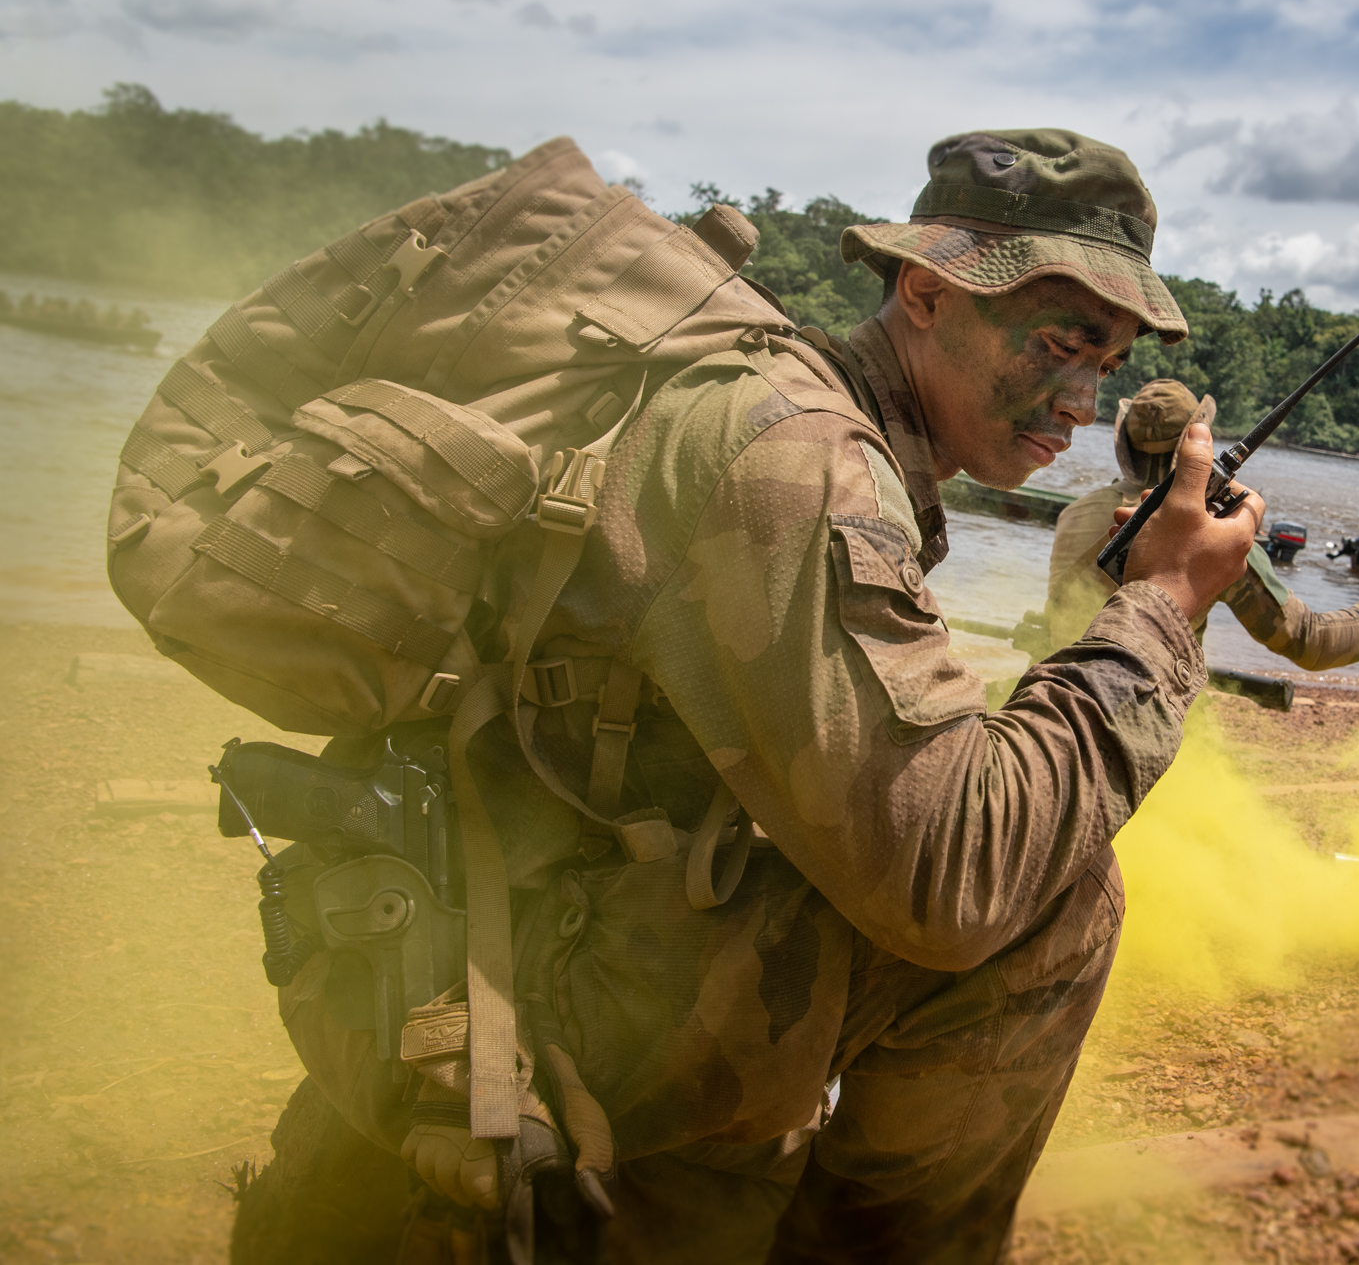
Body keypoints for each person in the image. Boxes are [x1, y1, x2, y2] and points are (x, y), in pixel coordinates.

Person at [252, 129, 1265, 1265]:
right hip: (513, 980)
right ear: (926, 292)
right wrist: (1162, 606)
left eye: (1106, 363)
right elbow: (951, 875)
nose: (1080, 399)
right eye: (1057, 345)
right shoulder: (803, 457)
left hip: (450, 917)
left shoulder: (771, 395)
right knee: (1050, 896)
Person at [1046, 378, 1359, 665]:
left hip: (1058, 687)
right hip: (1147, 712)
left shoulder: (1075, 513)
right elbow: (1311, 641)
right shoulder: (1212, 535)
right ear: (1198, 444)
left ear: (1125, 445)